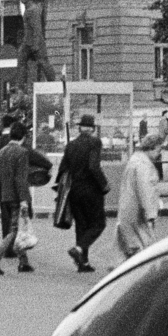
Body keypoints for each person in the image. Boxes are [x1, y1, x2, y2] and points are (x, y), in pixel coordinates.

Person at [57, 113, 109, 273]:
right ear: (92, 129)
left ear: (80, 128)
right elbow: (94, 166)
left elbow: (63, 169)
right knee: (99, 224)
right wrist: (104, 184)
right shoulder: (94, 142)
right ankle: (79, 249)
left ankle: (83, 263)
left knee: (81, 225)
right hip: (91, 190)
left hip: (74, 190)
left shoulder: (71, 145)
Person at [0, 120, 34, 275]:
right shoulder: (22, 153)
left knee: (14, 228)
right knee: (14, 231)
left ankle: (23, 262)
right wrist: (24, 201)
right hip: (16, 197)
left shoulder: (1, 152)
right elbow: (21, 179)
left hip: (3, 196)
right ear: (24, 137)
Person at [116, 134, 163, 260]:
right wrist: (151, 214)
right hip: (138, 215)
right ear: (151, 148)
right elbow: (145, 191)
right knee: (145, 253)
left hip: (127, 211)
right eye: (158, 150)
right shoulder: (144, 166)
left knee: (131, 250)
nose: (159, 154)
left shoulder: (134, 161)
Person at [16, 0, 57, 82]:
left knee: (43, 62)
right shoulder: (28, 9)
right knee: (21, 60)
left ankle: (53, 82)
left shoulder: (33, 10)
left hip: (35, 41)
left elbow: (37, 28)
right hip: (27, 41)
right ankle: (21, 87)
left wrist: (36, 44)